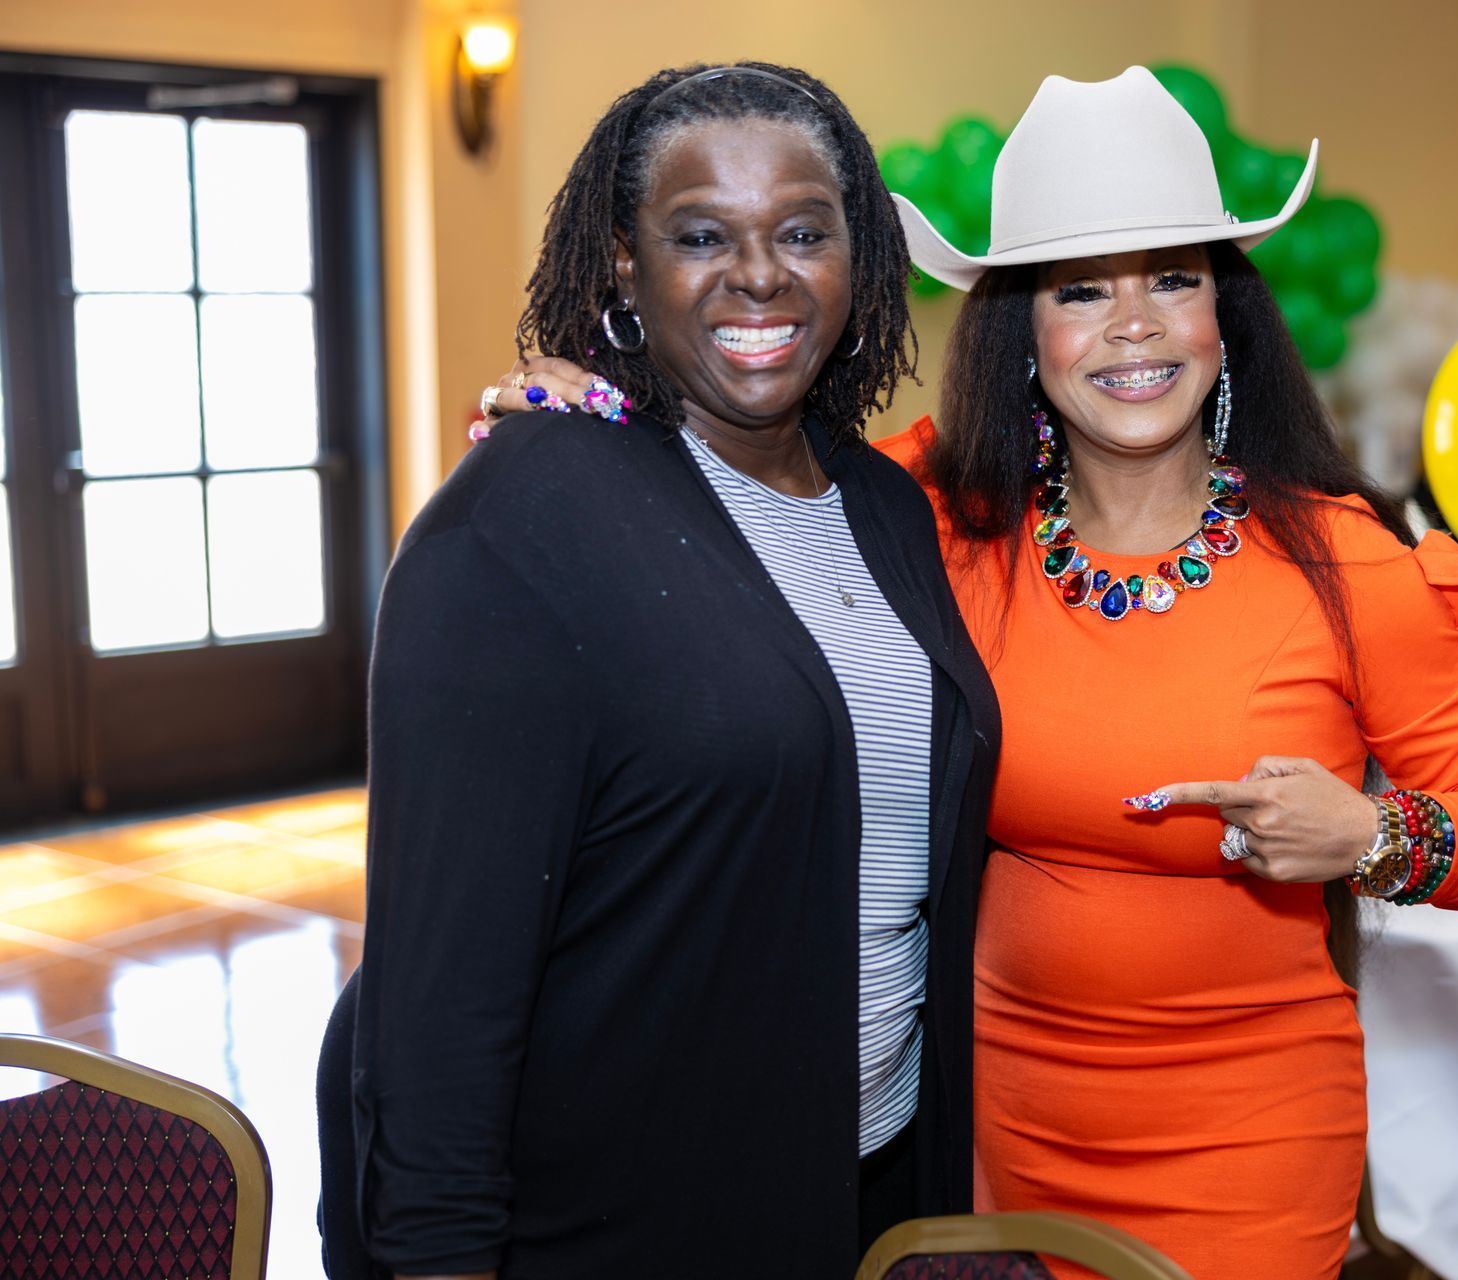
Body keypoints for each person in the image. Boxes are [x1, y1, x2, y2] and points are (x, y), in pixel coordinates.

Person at [483, 67, 1458, 1280]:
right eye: (1082, 291)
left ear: (1222, 316)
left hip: (1249, 1141)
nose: (1133, 325)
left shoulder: (1343, 561)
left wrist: (1372, 836)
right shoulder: (938, 521)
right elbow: (746, 477)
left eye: (1172, 279)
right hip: (992, 1128)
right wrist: (603, 412)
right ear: (1024, 332)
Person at [316, 62, 999, 1279]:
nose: (760, 274)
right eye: (700, 234)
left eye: (804, 230)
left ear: (859, 256)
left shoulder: (888, 505)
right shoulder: (526, 516)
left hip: (865, 1192)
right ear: (624, 265)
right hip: (618, 1226)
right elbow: (436, 1013)